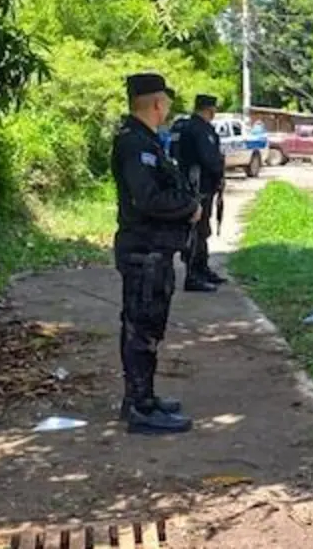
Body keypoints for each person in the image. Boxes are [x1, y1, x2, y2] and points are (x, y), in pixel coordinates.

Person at [112, 73, 202, 435]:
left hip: (153, 249)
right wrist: (188, 208)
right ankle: (140, 407)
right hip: (144, 250)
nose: (167, 108)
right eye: (165, 101)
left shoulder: (145, 139)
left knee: (145, 325)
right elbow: (146, 198)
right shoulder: (135, 144)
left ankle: (140, 397)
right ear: (156, 103)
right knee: (142, 329)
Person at [170, 94, 226, 291]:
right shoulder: (199, 129)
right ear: (209, 109)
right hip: (198, 187)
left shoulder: (186, 127)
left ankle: (202, 268)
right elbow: (209, 158)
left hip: (194, 186)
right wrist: (219, 171)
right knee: (197, 231)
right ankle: (193, 275)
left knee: (202, 230)